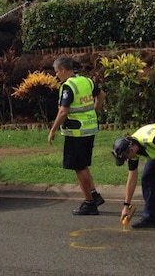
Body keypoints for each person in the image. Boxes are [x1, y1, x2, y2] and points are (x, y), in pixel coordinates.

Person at [47, 56, 105, 215]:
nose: (56, 75)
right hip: (90, 129)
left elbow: (63, 111)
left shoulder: (68, 86)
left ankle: (90, 202)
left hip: (76, 132)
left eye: (57, 72)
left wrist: (52, 130)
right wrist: (95, 110)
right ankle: (93, 196)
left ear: (63, 70)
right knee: (83, 165)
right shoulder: (87, 81)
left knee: (79, 167)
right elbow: (101, 96)